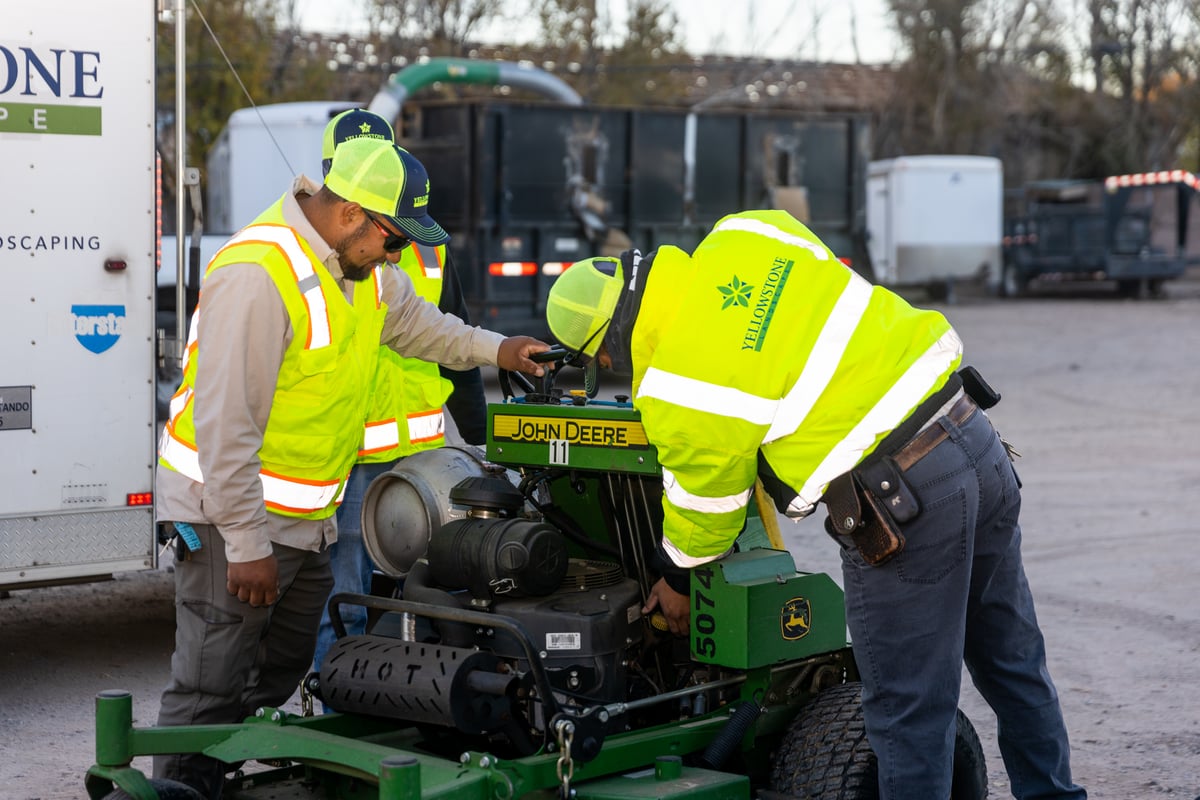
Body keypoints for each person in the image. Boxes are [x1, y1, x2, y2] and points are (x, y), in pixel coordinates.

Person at [543, 209, 1085, 800]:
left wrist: (673, 575)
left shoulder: (680, 383)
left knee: (908, 712)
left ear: (606, 350)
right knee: (1013, 664)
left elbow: (709, 512)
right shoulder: (744, 233)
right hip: (972, 436)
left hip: (904, 499)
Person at [153, 135, 547, 799]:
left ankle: (214, 780)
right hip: (232, 521)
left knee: (275, 673)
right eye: (393, 241)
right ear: (350, 216)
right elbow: (226, 426)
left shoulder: (360, 273)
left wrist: (498, 349)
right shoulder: (259, 274)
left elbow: (421, 326)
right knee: (209, 686)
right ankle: (180, 786)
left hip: (306, 522)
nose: (397, 257)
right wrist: (247, 545)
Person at [309, 110, 488, 677]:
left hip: (423, 449)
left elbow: (453, 341)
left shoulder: (427, 249)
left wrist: (479, 442)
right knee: (343, 593)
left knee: (432, 585)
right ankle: (333, 692)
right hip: (350, 455)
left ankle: (411, 688)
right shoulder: (312, 254)